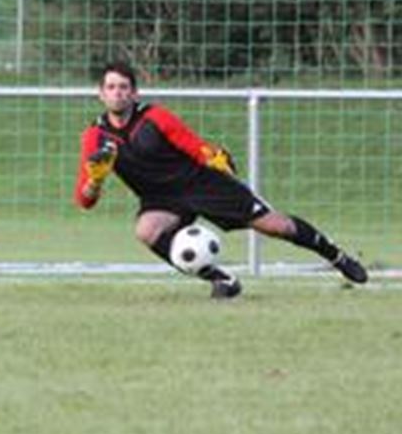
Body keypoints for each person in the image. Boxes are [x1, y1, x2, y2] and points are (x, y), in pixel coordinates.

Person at [73, 60, 367, 299]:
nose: (117, 93)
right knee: (146, 230)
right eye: (111, 87)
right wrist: (95, 181)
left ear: (134, 93)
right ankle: (223, 280)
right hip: (160, 199)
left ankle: (337, 257)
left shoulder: (156, 117)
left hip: (200, 182)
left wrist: (215, 157)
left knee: (275, 226)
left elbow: (195, 146)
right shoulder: (94, 137)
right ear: (101, 94)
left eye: (124, 87)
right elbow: (84, 201)